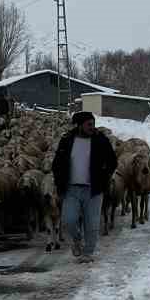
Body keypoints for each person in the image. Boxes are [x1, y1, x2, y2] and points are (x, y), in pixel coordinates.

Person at [51, 110, 117, 262]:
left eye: (93, 124)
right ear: (79, 125)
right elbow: (57, 163)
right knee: (69, 220)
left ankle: (87, 253)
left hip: (93, 189)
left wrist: (104, 177)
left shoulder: (101, 140)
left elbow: (112, 161)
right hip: (71, 188)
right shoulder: (67, 140)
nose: (92, 127)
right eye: (88, 124)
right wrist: (59, 181)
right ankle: (76, 239)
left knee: (92, 223)